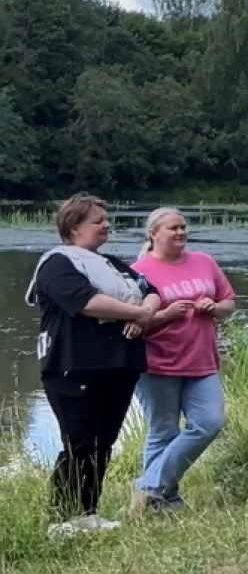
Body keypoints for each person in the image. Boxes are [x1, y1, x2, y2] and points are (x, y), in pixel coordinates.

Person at [30, 195, 158, 537]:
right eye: (98, 220)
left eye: (106, 218)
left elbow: (152, 290)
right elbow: (87, 302)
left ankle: (88, 513)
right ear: (74, 227)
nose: (107, 225)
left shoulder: (113, 264)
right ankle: (62, 519)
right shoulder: (56, 264)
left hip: (118, 363)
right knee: (80, 441)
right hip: (74, 365)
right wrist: (138, 313)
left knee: (103, 441)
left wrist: (145, 312)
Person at [130, 207, 236, 515]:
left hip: (202, 360)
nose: (180, 233)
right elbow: (133, 325)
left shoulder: (204, 261)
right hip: (157, 365)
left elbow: (229, 303)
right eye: (173, 228)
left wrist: (214, 307)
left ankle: (148, 487)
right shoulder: (139, 271)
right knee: (163, 431)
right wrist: (166, 315)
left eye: (183, 227)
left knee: (209, 423)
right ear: (154, 234)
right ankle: (164, 501)